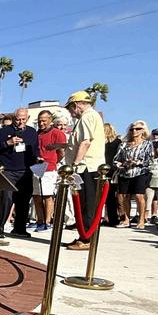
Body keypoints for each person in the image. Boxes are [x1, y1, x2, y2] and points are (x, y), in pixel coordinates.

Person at [63, 90, 107, 250]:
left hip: (86, 167)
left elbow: (85, 142)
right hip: (87, 167)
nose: (70, 112)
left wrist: (75, 164)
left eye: (70, 108)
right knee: (83, 204)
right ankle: (84, 236)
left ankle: (87, 239)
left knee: (87, 204)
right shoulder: (91, 116)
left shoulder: (87, 117)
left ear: (76, 105)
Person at [0, 107, 38, 238]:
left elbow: (35, 150)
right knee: (6, 200)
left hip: (25, 171)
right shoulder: (4, 131)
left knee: (24, 201)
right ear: (14, 118)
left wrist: (37, 159)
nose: (20, 122)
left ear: (28, 118)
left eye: (23, 119)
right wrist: (7, 143)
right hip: (8, 170)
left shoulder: (32, 132)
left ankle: (19, 228)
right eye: (18, 119)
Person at [113, 121, 155, 228]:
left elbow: (150, 160)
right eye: (132, 129)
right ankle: (126, 220)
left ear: (143, 130)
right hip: (124, 172)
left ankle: (141, 220)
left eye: (138, 129)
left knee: (139, 195)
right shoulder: (123, 144)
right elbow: (116, 159)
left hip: (140, 172)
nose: (134, 131)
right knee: (123, 196)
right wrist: (120, 164)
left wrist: (137, 162)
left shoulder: (147, 144)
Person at [34, 109, 67, 231]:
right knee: (36, 196)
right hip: (36, 167)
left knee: (47, 196)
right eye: (39, 121)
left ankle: (47, 222)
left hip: (49, 168)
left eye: (44, 121)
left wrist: (52, 162)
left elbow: (61, 152)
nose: (41, 123)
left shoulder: (57, 133)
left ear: (50, 120)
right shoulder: (37, 134)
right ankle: (40, 220)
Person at [102, 122, 123, 226]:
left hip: (103, 169)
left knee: (104, 197)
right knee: (111, 197)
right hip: (113, 170)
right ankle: (113, 218)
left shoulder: (101, 143)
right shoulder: (118, 142)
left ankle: (106, 218)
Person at [146, 129, 158, 224]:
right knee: (147, 200)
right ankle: (145, 217)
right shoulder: (149, 145)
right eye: (154, 134)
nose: (156, 136)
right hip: (150, 177)